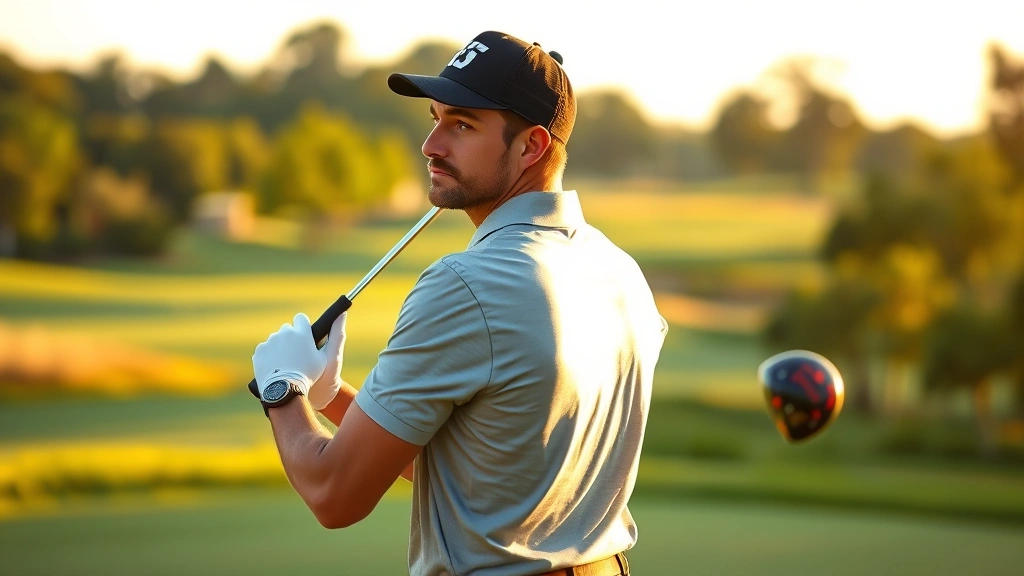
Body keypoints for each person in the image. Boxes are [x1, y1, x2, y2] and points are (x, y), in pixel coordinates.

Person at [251, 31, 668, 576]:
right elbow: (481, 466)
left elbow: (335, 496)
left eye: (463, 125)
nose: (431, 145)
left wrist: (284, 391)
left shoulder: (465, 283)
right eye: (436, 118)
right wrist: (332, 399)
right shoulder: (619, 270)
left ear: (532, 147)